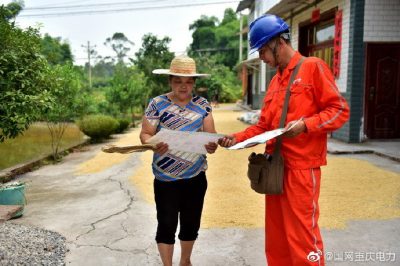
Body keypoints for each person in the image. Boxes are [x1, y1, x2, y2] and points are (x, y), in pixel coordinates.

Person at [219, 14, 349, 266]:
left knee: (303, 239)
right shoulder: (276, 81)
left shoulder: (313, 67)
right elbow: (262, 127)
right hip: (275, 169)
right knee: (277, 240)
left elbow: (339, 111)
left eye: (263, 51)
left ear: (279, 42)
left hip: (301, 169)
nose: (261, 58)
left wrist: (305, 125)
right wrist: (232, 139)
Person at [140, 55, 218, 266]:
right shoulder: (157, 104)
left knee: (191, 224)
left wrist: (212, 145)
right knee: (166, 224)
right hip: (165, 178)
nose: (183, 86)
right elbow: (145, 134)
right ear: (170, 81)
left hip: (195, 176)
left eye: (188, 82)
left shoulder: (203, 105)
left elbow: (211, 138)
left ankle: (185, 260)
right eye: (178, 81)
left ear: (194, 83)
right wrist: (154, 143)